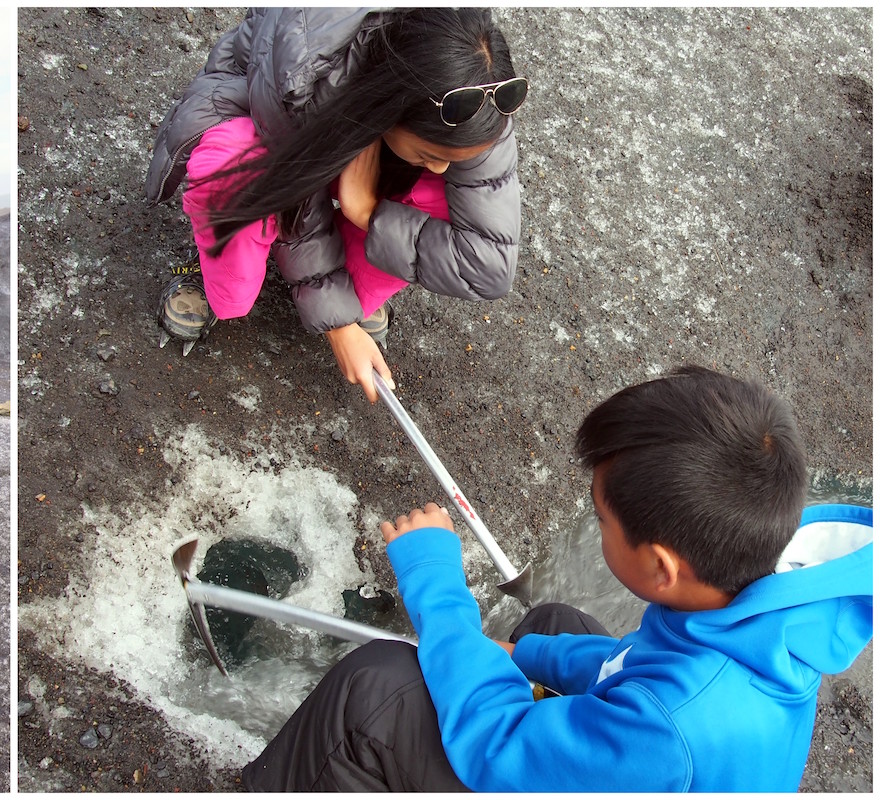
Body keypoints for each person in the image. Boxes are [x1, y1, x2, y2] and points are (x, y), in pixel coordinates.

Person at [242, 365, 874, 791]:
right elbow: (629, 665)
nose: (597, 525)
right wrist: (519, 653)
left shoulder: (671, 724)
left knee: (375, 690)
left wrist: (439, 589)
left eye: (602, 517)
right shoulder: (765, 605)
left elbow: (499, 744)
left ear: (661, 567)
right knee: (553, 629)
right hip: (637, 766)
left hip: (626, 764)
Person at [146, 8, 525, 402]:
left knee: (442, 197)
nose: (443, 166)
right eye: (430, 152)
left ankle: (350, 284)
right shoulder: (303, 70)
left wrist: (368, 213)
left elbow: (488, 266)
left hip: (357, 149)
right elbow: (296, 197)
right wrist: (339, 326)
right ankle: (211, 269)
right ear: (391, 109)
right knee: (235, 173)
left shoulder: (482, 101)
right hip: (271, 138)